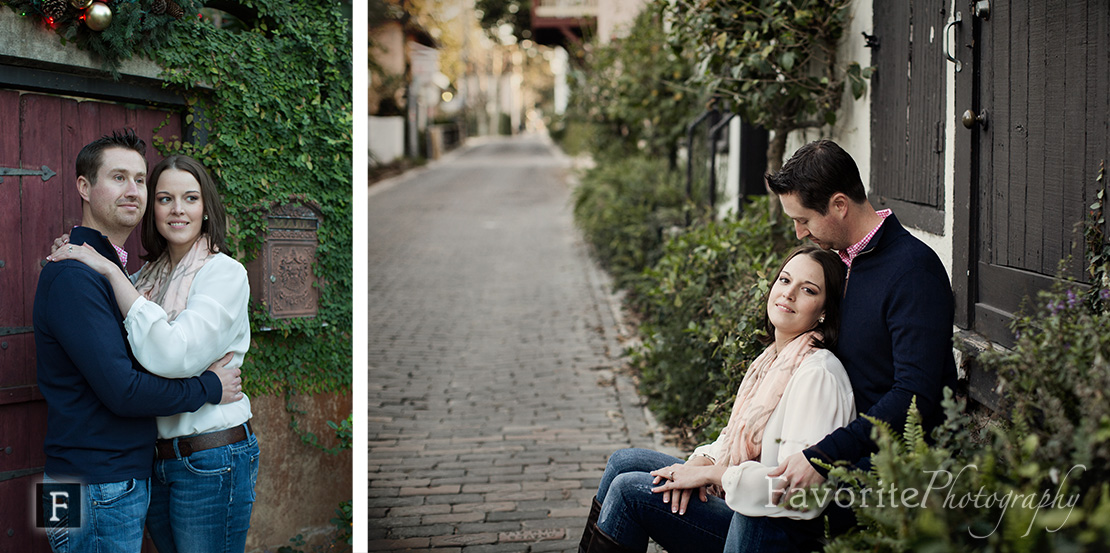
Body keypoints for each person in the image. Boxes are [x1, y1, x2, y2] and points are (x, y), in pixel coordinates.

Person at [34, 130, 243, 552]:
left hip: (89, 479)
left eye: (139, 179)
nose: (133, 191)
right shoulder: (77, 274)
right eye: (118, 177)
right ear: (84, 187)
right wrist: (211, 387)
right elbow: (124, 392)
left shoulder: (118, 273)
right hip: (94, 484)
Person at [577, 245, 855, 553]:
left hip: (773, 532)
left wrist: (709, 474)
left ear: (825, 311)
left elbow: (798, 493)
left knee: (629, 493)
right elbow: (731, 439)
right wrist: (701, 460)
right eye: (785, 280)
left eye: (808, 290)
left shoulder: (818, 375)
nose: (788, 294)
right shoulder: (772, 361)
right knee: (622, 463)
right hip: (741, 503)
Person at [763, 139, 959, 542]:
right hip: (822, 453)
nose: (799, 232)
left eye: (804, 220)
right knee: (636, 477)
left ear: (838, 205)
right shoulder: (843, 263)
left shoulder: (912, 271)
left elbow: (916, 396)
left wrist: (821, 458)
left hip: (878, 479)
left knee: (759, 506)